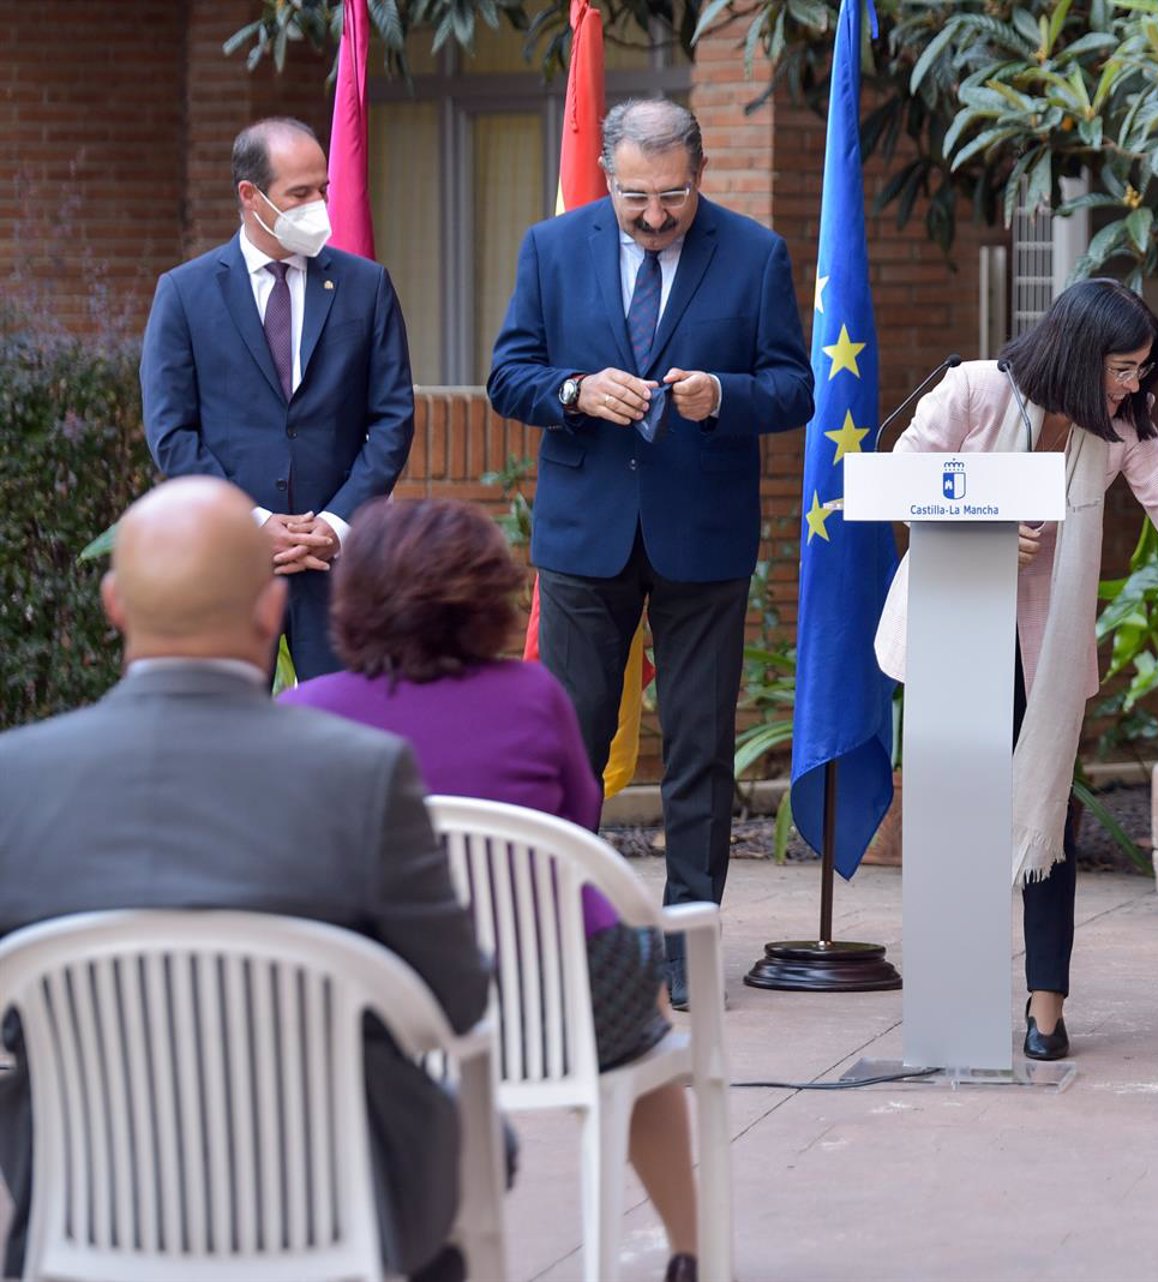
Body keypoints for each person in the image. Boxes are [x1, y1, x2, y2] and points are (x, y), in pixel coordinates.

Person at [0, 478, 487, 1281]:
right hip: (333, 1199)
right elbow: (458, 1001)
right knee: (465, 1149)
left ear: (114, 604)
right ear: (272, 610)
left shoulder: (16, 779)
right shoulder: (361, 775)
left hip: (82, 1199)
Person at [282, 497, 701, 1282]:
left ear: (354, 600)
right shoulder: (534, 697)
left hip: (382, 1004)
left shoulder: (300, 714)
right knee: (644, 1036)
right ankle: (688, 1248)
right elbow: (575, 832)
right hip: (557, 998)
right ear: (487, 596)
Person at [875, 278, 1158, 1061]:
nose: (1134, 384)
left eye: (1141, 370)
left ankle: (1045, 1010)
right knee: (958, 812)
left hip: (1045, 640)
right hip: (956, 616)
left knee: (1046, 816)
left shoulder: (1124, 427)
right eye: (1123, 367)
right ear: (1077, 352)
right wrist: (983, 527)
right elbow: (899, 480)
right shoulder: (975, 389)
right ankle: (954, 1005)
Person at [487, 97, 812, 1006]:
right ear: (607, 177)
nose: (657, 216)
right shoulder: (552, 249)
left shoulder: (753, 254)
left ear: (698, 177)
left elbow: (795, 390)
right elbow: (507, 375)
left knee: (702, 750)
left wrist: (724, 396)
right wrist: (577, 390)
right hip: (586, 537)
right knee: (568, 746)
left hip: (701, 537)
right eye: (637, 198)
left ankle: (689, 950)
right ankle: (562, 944)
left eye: (672, 197)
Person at [140, 117, 416, 679]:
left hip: (335, 566)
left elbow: (392, 418)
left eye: (324, 190)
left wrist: (336, 524)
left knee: (340, 738)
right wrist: (252, 521)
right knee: (224, 741)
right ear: (250, 196)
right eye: (301, 193)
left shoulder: (367, 286)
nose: (319, 205)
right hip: (230, 568)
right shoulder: (185, 293)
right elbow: (171, 431)